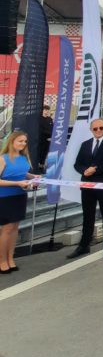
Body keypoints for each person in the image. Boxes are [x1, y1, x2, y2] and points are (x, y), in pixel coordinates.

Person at [67, 118, 103, 259]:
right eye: (95, 129)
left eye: (101, 128)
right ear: (91, 130)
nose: (98, 131)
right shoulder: (85, 144)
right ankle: (84, 245)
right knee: (87, 216)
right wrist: (85, 171)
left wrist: (94, 170)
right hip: (87, 185)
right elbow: (77, 164)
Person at [0, 131, 40, 273]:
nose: (23, 144)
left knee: (15, 228)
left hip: (20, 195)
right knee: (7, 229)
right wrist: (17, 183)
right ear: (12, 141)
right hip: (5, 198)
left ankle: (10, 258)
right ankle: (2, 260)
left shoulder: (23, 158)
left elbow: (22, 173)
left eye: (24, 141)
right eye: (20, 141)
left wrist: (33, 177)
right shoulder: (3, 159)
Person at [38, 104, 53, 169]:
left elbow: (52, 128)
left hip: (49, 140)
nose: (46, 112)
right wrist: (48, 136)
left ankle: (42, 166)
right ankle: (38, 166)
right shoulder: (39, 119)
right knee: (40, 153)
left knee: (45, 154)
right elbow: (41, 130)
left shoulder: (50, 119)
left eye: (47, 110)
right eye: (45, 110)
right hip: (41, 140)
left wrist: (52, 136)